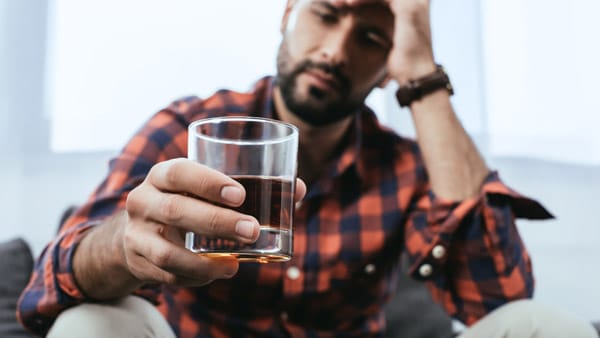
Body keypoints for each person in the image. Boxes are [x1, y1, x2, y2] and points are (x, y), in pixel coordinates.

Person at [17, 0, 598, 337]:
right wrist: (121, 245)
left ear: (389, 66)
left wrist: (423, 72)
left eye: (371, 36)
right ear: (288, 13)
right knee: (93, 321)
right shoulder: (189, 130)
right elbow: (45, 292)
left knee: (543, 325)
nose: (337, 50)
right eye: (326, 14)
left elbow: (500, 302)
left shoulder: (407, 165)